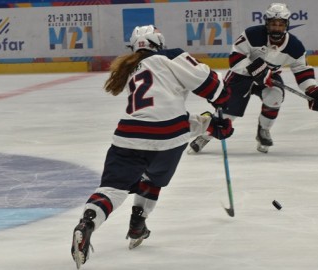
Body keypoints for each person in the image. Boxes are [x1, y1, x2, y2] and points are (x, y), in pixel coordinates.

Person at [70, 25, 233, 269]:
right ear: (159, 43)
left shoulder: (130, 70)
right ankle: (138, 223)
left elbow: (160, 114)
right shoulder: (169, 56)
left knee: (112, 189)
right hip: (168, 139)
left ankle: (87, 223)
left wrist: (208, 123)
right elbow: (207, 87)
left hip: (128, 135)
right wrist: (216, 112)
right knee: (153, 179)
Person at [188, 2, 318, 154]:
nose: (276, 28)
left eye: (280, 24)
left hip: (269, 77)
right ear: (266, 23)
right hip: (240, 76)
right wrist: (255, 69)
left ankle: (263, 130)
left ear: (287, 25)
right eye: (273, 24)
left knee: (275, 96)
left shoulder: (294, 46)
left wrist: (312, 89)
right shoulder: (252, 34)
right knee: (229, 113)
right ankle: (206, 135)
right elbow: (235, 59)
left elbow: (302, 70)